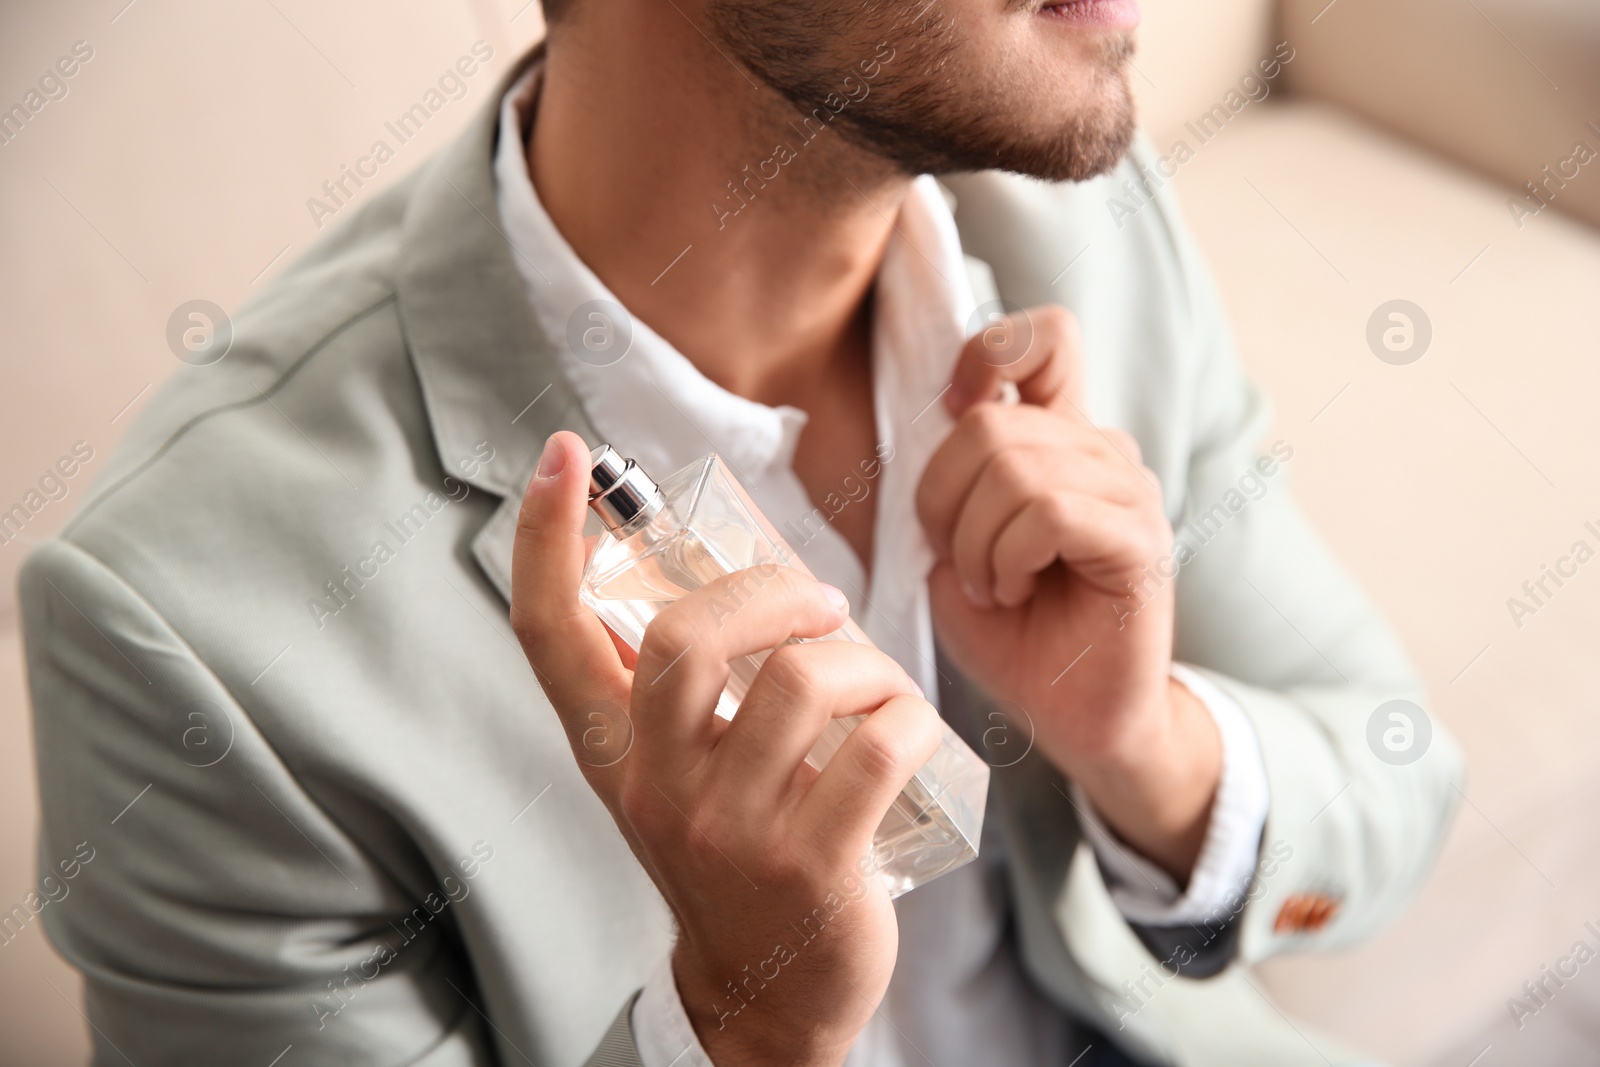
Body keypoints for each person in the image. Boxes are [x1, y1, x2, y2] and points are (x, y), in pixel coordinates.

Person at [19, 0, 1463, 1064]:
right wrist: (743, 1026)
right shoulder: (186, 627)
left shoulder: (1062, 210)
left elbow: (1395, 786)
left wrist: (1140, 740)